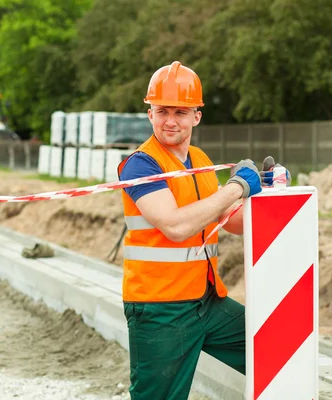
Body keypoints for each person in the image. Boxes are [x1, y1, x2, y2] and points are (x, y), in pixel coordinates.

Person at [117, 61, 271, 400]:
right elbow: (175, 225)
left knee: (274, 345)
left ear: (196, 116)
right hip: (161, 309)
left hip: (207, 302)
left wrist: (273, 199)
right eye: (162, 111)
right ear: (150, 114)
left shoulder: (200, 160)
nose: (170, 120)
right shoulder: (140, 164)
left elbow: (229, 220)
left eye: (180, 112)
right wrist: (235, 188)